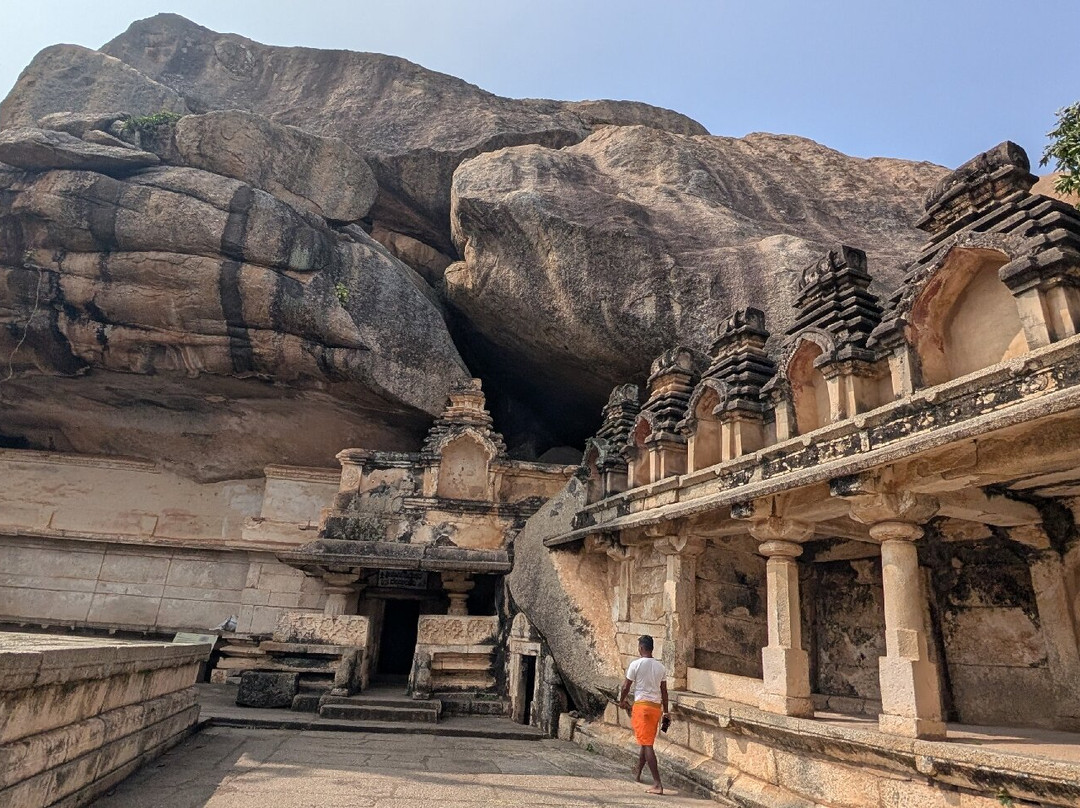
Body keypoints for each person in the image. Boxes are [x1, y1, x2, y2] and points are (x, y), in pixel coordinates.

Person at [618, 634, 669, 795]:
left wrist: (622, 700)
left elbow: (626, 686)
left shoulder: (636, 664)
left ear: (641, 648)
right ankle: (638, 772)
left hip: (642, 707)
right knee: (645, 740)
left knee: (647, 744)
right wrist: (666, 711)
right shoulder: (660, 667)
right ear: (652, 648)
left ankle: (657, 784)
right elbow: (664, 691)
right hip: (655, 708)